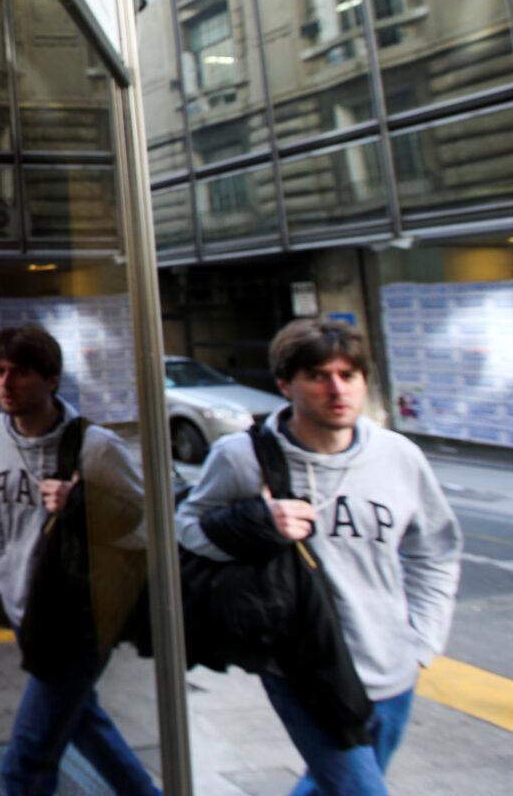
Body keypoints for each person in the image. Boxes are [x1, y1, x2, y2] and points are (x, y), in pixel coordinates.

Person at [176, 319, 461, 795]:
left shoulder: (399, 456)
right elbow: (186, 528)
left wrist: (423, 640)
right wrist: (256, 522)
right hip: (300, 666)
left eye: (348, 375)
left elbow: (434, 550)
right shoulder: (241, 457)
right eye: (317, 376)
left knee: (331, 786)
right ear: (285, 385)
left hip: (392, 666)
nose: (337, 389)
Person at [0, 323, 160, 796]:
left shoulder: (95, 447)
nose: (6, 383)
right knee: (81, 719)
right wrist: (4, 572)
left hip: (81, 618)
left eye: (21, 372)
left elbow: (148, 527)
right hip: (26, 610)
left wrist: (80, 503)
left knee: (26, 762)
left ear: (52, 380)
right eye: (0, 371)